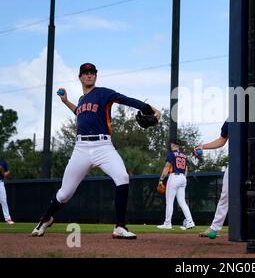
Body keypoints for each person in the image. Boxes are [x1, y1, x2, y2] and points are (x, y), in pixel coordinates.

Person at [31, 62, 160, 239]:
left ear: (95, 76)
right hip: (81, 149)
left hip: (103, 146)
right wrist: (66, 101)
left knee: (122, 178)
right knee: (64, 193)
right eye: (85, 73)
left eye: (92, 72)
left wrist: (149, 108)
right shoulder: (82, 101)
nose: (89, 75)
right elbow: (80, 113)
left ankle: (120, 227)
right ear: (80, 77)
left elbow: (126, 99)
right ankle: (45, 219)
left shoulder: (103, 93)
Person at [194, 121, 255, 238]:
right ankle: (214, 228)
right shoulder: (230, 120)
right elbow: (221, 140)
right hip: (235, 161)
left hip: (253, 161)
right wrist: (203, 146)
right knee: (225, 195)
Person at [157, 139, 195, 230]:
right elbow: (186, 169)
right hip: (183, 178)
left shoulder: (171, 154)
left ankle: (167, 223)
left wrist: (161, 180)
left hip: (174, 177)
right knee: (182, 201)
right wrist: (183, 179)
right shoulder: (184, 156)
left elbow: (167, 167)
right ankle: (190, 221)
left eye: (171, 144)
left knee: (169, 202)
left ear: (173, 144)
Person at [0, 158, 14, 225]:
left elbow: (8, 172)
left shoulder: (2, 161)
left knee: (3, 200)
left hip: (0, 183)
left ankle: (8, 219)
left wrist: (3, 172)